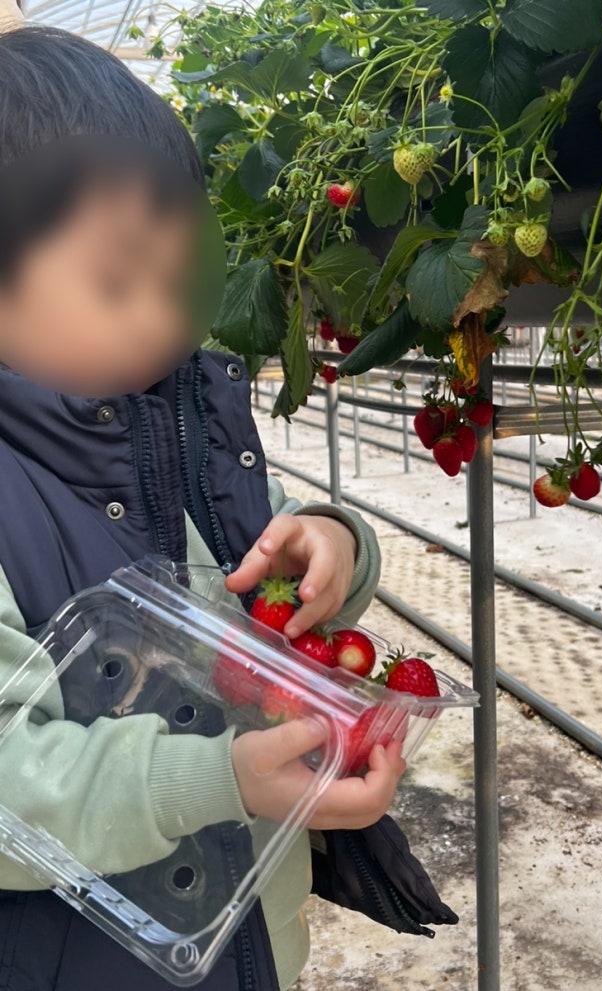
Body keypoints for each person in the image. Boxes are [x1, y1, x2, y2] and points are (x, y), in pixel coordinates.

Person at [0, 24, 456, 991]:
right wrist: (217, 780)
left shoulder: (187, 430)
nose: (166, 315)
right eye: (119, 278)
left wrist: (334, 544)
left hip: (247, 950)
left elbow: (278, 555)